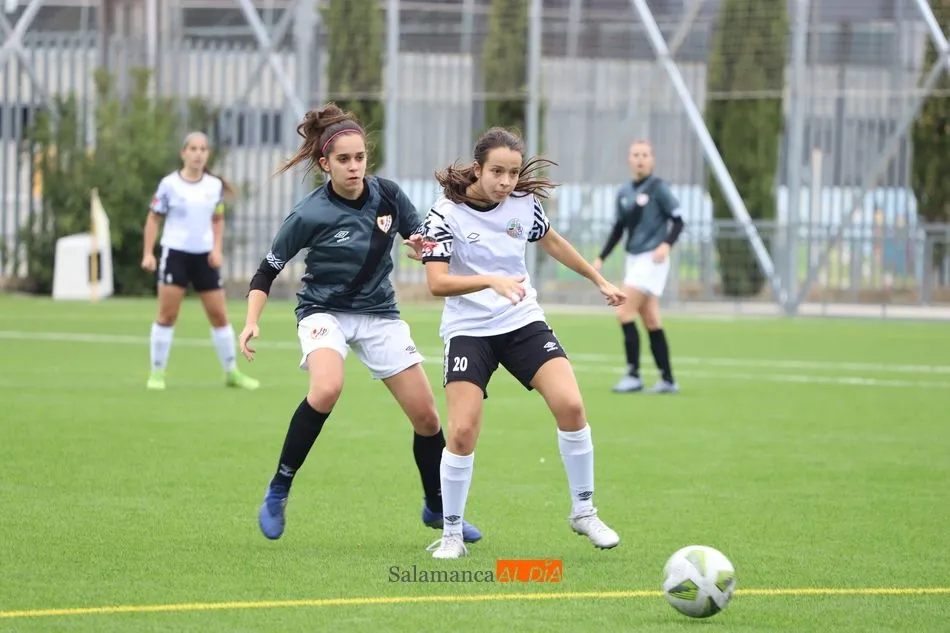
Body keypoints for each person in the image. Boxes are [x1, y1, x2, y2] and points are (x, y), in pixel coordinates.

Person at [238, 102, 482, 544]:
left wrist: (423, 247)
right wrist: (252, 321)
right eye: (344, 160)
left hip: (379, 315)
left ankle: (436, 508)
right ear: (324, 164)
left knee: (428, 418)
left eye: (360, 158)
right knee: (327, 388)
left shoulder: (387, 195)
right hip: (322, 312)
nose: (354, 167)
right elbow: (266, 271)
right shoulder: (308, 213)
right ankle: (279, 488)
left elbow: (419, 236)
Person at [418, 127, 625, 560]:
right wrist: (489, 280)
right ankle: (452, 533)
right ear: (477, 169)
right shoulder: (444, 214)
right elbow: (436, 283)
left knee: (571, 405)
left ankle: (584, 511)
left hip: (521, 318)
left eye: (513, 173)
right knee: (461, 431)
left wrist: (599, 280)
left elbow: (552, 242)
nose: (506, 182)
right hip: (469, 330)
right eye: (497, 172)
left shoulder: (523, 205)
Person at [141, 131, 260, 392]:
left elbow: (218, 219)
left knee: (219, 315)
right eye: (193, 148)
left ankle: (232, 372)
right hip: (176, 255)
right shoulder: (170, 184)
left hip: (204, 257)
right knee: (167, 315)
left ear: (207, 154)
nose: (198, 153)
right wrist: (148, 253)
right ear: (183, 153)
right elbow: (153, 218)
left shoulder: (213, 186)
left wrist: (216, 248)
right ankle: (157, 372)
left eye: (203, 149)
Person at [593, 140, 685, 394]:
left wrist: (666, 244)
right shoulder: (623, 192)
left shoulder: (659, 189)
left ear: (652, 160)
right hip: (634, 258)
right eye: (636, 155)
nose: (640, 159)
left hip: (652, 259)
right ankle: (668, 379)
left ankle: (633, 375)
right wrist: (602, 257)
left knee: (623, 312)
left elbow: (678, 220)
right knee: (651, 319)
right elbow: (618, 228)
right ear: (629, 160)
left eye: (645, 155)